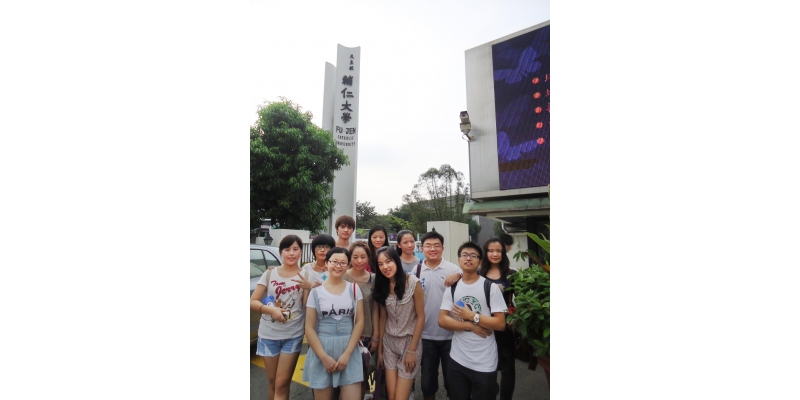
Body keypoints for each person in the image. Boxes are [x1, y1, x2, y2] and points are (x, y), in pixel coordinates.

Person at [438, 241, 508, 400]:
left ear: (480, 262)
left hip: (485, 362)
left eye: (473, 256)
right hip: (457, 359)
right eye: (464, 255)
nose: (468, 258)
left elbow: (500, 324)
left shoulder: (490, 287)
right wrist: (470, 325)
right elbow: (442, 320)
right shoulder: (452, 288)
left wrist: (472, 316)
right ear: (459, 260)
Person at [249, 235, 309, 400]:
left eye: (295, 249)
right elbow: (252, 301)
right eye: (287, 249)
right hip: (268, 335)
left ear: (301, 252)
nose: (291, 253)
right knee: (273, 382)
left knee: (282, 383)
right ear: (281, 252)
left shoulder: (306, 275)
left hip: (292, 335)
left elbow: (306, 306)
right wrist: (272, 311)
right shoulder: (270, 273)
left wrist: (309, 288)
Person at [303, 247, 365, 400]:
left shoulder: (354, 289)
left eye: (343, 263)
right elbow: (309, 328)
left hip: (349, 348)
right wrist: (323, 357)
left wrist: (347, 354)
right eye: (334, 262)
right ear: (326, 263)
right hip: (322, 349)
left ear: (348, 265)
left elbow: (359, 322)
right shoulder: (316, 292)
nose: (338, 266)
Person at [373, 247, 424, 400]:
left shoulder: (413, 282)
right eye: (380, 264)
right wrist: (380, 351)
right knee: (391, 396)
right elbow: (383, 318)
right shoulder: (382, 285)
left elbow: (421, 317)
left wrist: (412, 350)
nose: (385, 267)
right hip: (389, 344)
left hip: (409, 343)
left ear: (396, 261)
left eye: (388, 261)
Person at [415, 231, 461, 400]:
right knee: (427, 381)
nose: (432, 249)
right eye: (428, 246)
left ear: (442, 248)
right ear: (422, 248)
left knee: (453, 380)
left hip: (451, 335)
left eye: (436, 245)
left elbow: (472, 277)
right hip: (426, 335)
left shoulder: (453, 269)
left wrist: (460, 274)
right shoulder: (417, 270)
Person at [479, 237, 517, 400]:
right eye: (491, 251)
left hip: (505, 328)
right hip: (483, 327)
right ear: (485, 253)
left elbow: (523, 301)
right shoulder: (478, 274)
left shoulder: (511, 274)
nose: (495, 254)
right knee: (487, 369)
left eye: (498, 251)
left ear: (503, 253)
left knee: (508, 370)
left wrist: (516, 316)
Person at [344, 242, 381, 400]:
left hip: (367, 334)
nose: (359, 261)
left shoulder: (373, 279)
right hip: (346, 334)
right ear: (350, 258)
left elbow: (376, 309)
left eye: (363, 257)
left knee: (366, 372)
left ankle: (365, 395)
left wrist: (376, 336)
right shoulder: (342, 276)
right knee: (347, 375)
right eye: (355, 257)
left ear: (368, 258)